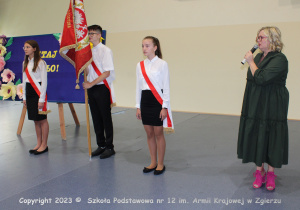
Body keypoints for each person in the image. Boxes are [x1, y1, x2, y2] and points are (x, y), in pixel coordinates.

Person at [237, 26, 289, 191]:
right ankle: (259, 171)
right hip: (256, 102)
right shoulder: (258, 56)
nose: (258, 41)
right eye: (257, 38)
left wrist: (251, 62)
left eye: (261, 38)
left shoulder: (280, 59)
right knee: (257, 134)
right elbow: (252, 80)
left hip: (272, 104)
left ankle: (271, 173)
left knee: (271, 135)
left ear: (272, 40)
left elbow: (262, 77)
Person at [136, 36, 174, 175]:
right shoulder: (139, 65)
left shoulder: (162, 64)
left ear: (155, 47)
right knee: (149, 133)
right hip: (145, 101)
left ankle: (160, 163)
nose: (144, 48)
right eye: (142, 46)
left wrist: (164, 107)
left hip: (157, 101)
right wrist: (138, 106)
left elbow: (166, 86)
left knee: (158, 134)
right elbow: (138, 87)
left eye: (147, 45)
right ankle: (152, 162)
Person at [83, 25, 116, 159]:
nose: (90, 36)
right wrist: (83, 66)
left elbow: (107, 72)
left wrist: (91, 83)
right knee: (96, 118)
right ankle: (100, 145)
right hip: (92, 88)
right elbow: (87, 71)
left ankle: (109, 147)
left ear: (99, 35)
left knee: (105, 118)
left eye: (92, 33)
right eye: (89, 33)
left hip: (102, 87)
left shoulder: (105, 50)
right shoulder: (88, 51)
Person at [22, 40, 50, 155]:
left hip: (38, 92)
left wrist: (41, 99)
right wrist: (24, 97)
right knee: (35, 119)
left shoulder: (41, 62)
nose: (25, 49)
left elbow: (44, 82)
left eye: (28, 47)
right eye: (24, 47)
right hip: (29, 92)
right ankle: (38, 143)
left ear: (34, 49)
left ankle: (44, 144)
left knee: (42, 119)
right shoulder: (25, 62)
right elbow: (24, 81)